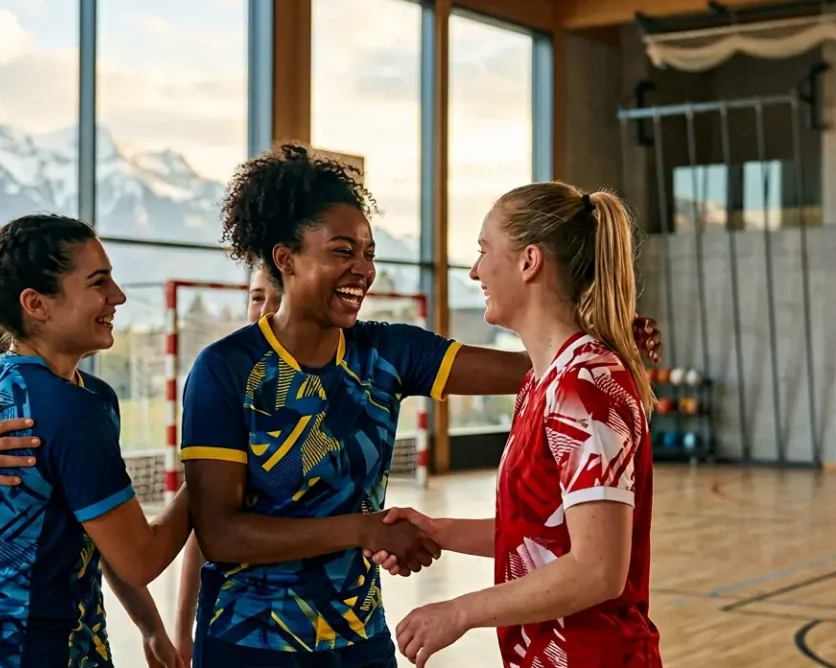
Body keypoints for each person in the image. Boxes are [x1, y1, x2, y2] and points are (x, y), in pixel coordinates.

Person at [179, 144, 662, 667]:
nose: (363, 269)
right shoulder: (225, 369)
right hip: (250, 641)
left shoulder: (388, 352)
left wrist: (604, 338)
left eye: (368, 253)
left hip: (357, 638)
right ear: (285, 259)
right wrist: (365, 528)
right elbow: (219, 534)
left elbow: (542, 364)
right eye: (343, 252)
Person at [0, 214, 193, 668]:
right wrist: (209, 476)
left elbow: (105, 535)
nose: (118, 296)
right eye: (98, 282)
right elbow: (140, 558)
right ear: (36, 304)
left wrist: (151, 627)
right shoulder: (64, 408)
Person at [376, 183, 660, 668]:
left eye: (484, 250)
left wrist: (460, 612)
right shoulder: (540, 383)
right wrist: (437, 531)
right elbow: (540, 535)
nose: (475, 270)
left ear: (529, 261)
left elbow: (597, 570)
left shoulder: (584, 386)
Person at [172, 263, 282, 662]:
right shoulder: (225, 377)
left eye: (278, 299)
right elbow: (202, 529)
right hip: (240, 627)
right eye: (257, 298)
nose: (265, 311)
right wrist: (181, 632)